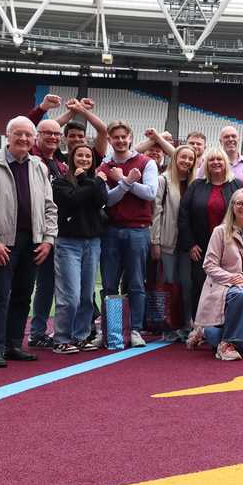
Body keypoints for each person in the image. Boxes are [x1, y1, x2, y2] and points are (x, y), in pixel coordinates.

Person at [0, 116, 58, 368]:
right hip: (3, 242)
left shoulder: (39, 167)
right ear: (8, 136)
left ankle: (14, 344)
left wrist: (48, 239)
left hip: (34, 241)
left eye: (29, 135)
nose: (24, 139)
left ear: (34, 138)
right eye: (19, 133)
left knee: (22, 295)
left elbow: (50, 206)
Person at [98, 119, 158, 346]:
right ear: (110, 140)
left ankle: (134, 329)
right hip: (111, 230)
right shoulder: (104, 167)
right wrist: (128, 182)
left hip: (138, 230)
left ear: (131, 137)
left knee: (136, 283)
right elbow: (108, 200)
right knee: (109, 283)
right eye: (116, 137)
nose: (121, 141)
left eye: (124, 136)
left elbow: (150, 193)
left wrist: (123, 180)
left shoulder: (146, 162)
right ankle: (112, 329)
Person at [191, 188, 243, 361]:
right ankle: (226, 343)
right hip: (223, 287)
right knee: (241, 295)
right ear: (232, 207)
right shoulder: (220, 231)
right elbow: (209, 265)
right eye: (239, 203)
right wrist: (233, 279)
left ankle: (209, 332)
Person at [50, 143, 107, 354]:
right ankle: (61, 338)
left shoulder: (96, 182)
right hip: (68, 243)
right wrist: (89, 181)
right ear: (72, 158)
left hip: (92, 242)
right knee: (70, 296)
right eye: (80, 155)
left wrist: (89, 181)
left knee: (86, 296)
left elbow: (102, 201)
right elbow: (72, 200)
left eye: (88, 156)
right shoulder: (60, 182)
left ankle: (80, 336)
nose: (84, 159)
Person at [178, 150, 238, 335]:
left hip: (230, 249)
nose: (216, 162)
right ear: (206, 164)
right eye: (211, 159)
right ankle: (200, 328)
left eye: (219, 159)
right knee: (200, 287)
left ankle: (225, 327)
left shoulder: (236, 186)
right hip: (201, 248)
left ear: (226, 163)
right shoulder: (196, 186)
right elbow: (183, 216)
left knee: (229, 287)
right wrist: (190, 244)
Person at [24, 117, 69, 349]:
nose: (53, 137)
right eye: (47, 133)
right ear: (36, 136)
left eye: (56, 134)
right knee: (24, 284)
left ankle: (37, 332)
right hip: (32, 231)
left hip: (56, 232)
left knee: (47, 284)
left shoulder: (61, 166)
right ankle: (16, 334)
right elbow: (24, 125)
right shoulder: (30, 158)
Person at [151, 144, 198, 340]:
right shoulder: (163, 180)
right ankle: (168, 326)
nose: (186, 161)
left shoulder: (195, 183)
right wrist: (155, 241)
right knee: (168, 284)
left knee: (187, 285)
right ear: (175, 158)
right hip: (167, 240)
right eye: (183, 157)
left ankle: (186, 325)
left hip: (187, 243)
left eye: (190, 158)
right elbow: (156, 212)